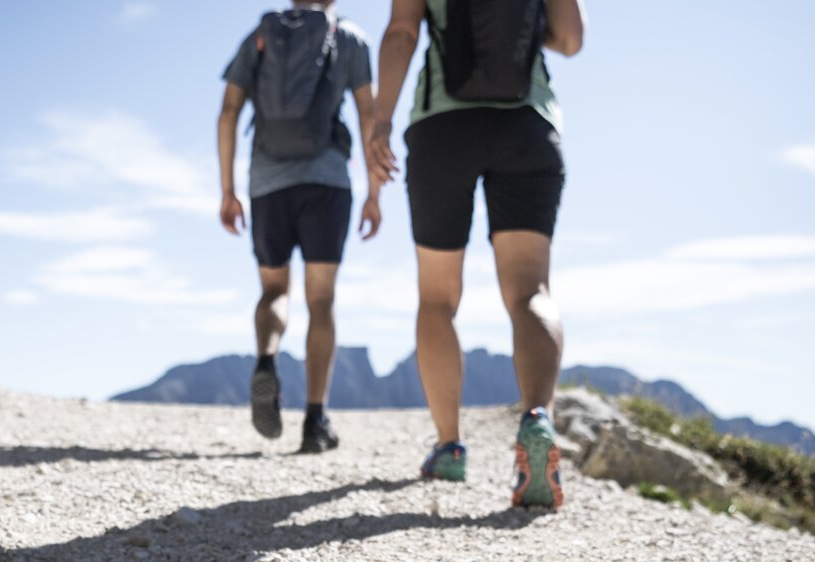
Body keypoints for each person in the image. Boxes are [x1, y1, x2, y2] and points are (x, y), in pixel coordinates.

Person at [367, 0, 584, 508]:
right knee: (530, 289)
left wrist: (380, 121)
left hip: (443, 129)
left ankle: (448, 447)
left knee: (437, 296)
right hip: (528, 127)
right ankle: (537, 420)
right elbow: (571, 39)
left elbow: (402, 33)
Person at [218, 1, 382, 454]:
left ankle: (267, 360)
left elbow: (229, 110)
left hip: (267, 184)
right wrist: (374, 192)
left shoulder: (263, 33)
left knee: (274, 292)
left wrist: (227, 190)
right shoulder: (347, 37)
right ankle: (315, 421)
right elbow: (369, 114)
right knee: (321, 300)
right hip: (326, 183)